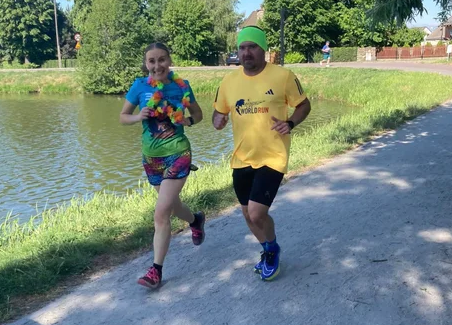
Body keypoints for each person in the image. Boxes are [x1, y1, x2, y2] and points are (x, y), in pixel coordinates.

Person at [212, 26, 311, 281]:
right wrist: (218, 120)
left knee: (256, 212)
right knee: (247, 214)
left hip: (272, 155)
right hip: (241, 157)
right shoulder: (228, 82)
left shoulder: (283, 76)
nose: (247, 53)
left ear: (263, 50)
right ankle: (269, 248)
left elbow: (303, 105)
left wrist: (290, 123)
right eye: (242, 48)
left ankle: (271, 249)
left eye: (252, 47)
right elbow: (218, 112)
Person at [120, 42, 206, 290]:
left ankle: (155, 271)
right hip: (151, 158)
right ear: (146, 63)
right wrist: (138, 116)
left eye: (162, 60)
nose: (157, 65)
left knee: (161, 213)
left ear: (169, 61)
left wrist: (185, 121)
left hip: (178, 153)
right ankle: (195, 221)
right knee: (172, 205)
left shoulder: (182, 86)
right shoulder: (139, 86)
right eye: (151, 61)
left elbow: (198, 115)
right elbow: (122, 116)